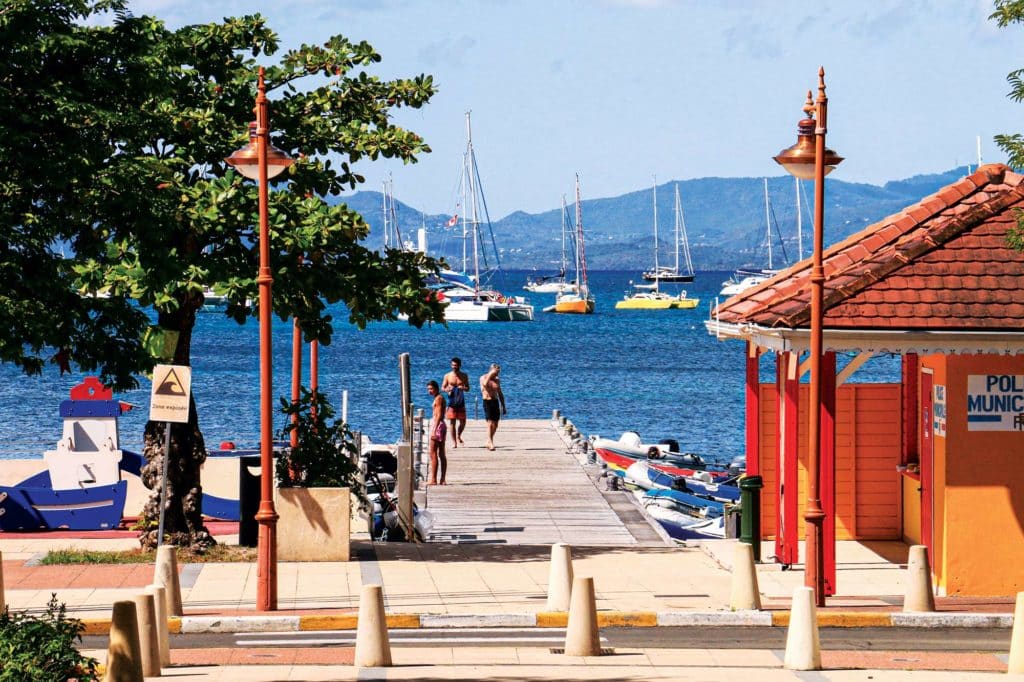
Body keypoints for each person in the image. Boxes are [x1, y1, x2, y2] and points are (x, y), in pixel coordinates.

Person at [441, 357, 470, 448]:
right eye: (453, 365)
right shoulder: (447, 376)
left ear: (459, 366)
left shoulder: (464, 376)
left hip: (461, 401)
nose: (454, 367)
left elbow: (468, 388)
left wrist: (464, 388)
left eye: (456, 365)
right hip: (452, 401)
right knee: (452, 422)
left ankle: (458, 435)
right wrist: (447, 390)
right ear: (451, 365)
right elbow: (443, 387)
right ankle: (454, 442)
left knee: (463, 422)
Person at [478, 363, 506, 451]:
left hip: (495, 401)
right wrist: (491, 374)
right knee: (490, 422)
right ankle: (491, 442)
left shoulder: (497, 380)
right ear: (491, 370)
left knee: (496, 424)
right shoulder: (483, 378)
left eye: (498, 372)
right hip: (487, 401)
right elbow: (486, 384)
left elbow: (500, 393)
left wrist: (503, 406)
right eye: (496, 371)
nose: (497, 373)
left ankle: (488, 441)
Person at [426, 380, 447, 485]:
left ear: (436, 388)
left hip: (438, 425)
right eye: (428, 389)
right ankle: (442, 479)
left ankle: (433, 479)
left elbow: (438, 415)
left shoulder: (438, 399)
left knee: (433, 453)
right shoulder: (439, 398)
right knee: (441, 453)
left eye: (431, 389)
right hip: (442, 425)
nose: (429, 391)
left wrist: (434, 429)